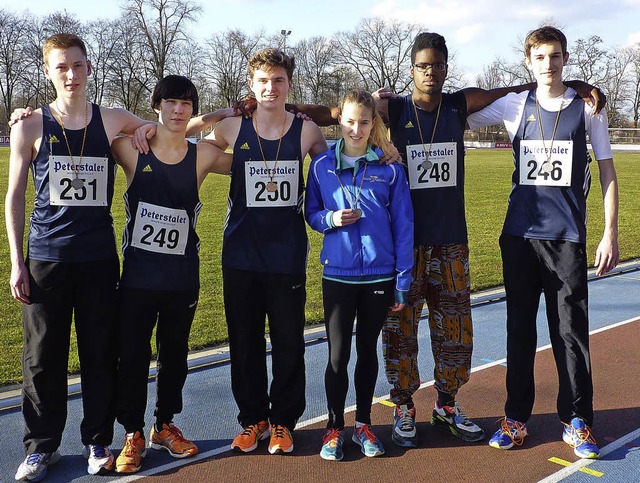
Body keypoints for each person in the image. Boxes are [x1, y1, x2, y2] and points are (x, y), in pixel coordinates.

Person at [288, 32, 603, 449]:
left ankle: (448, 402)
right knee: (399, 329)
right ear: (411, 69)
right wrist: (283, 106)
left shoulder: (459, 104)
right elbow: (335, 113)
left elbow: (515, 88)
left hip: (452, 242)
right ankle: (403, 405)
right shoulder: (392, 107)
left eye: (438, 65)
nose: (431, 72)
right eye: (422, 66)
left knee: (454, 330)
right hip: (405, 245)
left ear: (446, 67)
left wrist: (577, 86)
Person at [5, 33, 155, 481]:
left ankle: (97, 440)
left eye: (77, 65)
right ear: (48, 72)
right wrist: (17, 261)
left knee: (98, 354)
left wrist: (147, 128)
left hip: (97, 260)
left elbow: (158, 127)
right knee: (41, 358)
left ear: (89, 68)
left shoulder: (110, 120)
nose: (71, 74)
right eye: (61, 67)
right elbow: (14, 196)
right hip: (46, 259)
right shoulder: (29, 126)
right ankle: (41, 448)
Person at [467, 25, 618, 459]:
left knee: (570, 334)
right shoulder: (516, 105)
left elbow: (607, 171)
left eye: (555, 57)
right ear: (528, 61)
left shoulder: (588, 109)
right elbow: (460, 109)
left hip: (566, 238)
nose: (548, 64)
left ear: (566, 59)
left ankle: (577, 421)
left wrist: (610, 232)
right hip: (519, 238)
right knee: (519, 331)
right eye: (540, 57)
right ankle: (516, 418)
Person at [201, 48, 327, 455]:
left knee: (289, 340)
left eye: (278, 80)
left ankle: (283, 422)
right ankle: (253, 418)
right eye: (262, 81)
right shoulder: (233, 127)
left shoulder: (306, 131)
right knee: (244, 340)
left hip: (287, 255)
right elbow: (185, 142)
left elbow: (336, 167)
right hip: (240, 254)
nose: (270, 88)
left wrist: (386, 150)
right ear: (250, 84)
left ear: (289, 84)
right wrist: (220, 111)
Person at [109, 75, 237, 473]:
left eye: (186, 104)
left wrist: (231, 113)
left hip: (182, 276)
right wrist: (24, 117)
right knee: (132, 355)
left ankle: (164, 425)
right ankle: (132, 431)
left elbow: (258, 155)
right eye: (171, 103)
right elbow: (86, 129)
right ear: (157, 106)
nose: (178, 110)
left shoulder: (203, 156)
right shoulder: (131, 151)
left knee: (175, 356)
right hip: (138, 278)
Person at [305, 89, 414, 460]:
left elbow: (403, 227)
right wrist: (331, 220)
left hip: (379, 278)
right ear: (340, 120)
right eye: (350, 121)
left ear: (373, 124)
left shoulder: (390, 169)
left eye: (364, 122)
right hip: (338, 275)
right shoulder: (321, 166)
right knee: (338, 355)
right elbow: (311, 213)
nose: (356, 129)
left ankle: (364, 423)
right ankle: (334, 428)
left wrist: (402, 280)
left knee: (367, 351)